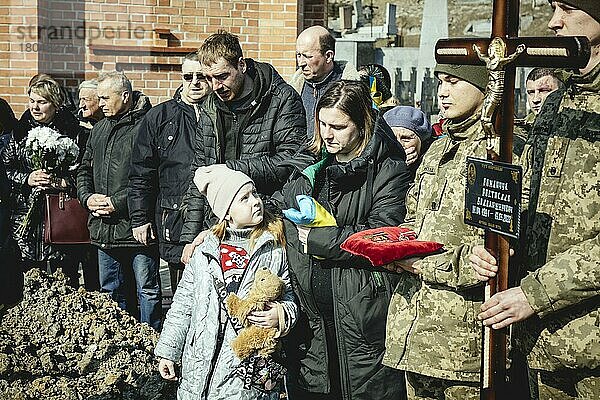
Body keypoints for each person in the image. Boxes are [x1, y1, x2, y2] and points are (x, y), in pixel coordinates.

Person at [470, 2, 600, 398]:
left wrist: (535, 293)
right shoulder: (560, 99)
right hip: (541, 342)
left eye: (568, 9)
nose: (553, 23)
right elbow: (527, 189)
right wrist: (493, 241)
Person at [273, 80, 411, 400]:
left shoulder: (388, 169)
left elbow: (383, 236)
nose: (327, 134)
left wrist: (321, 240)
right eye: (322, 124)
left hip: (362, 316)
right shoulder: (314, 164)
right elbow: (282, 205)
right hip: (312, 322)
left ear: (362, 124)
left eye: (338, 126)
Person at [383, 64, 491, 400]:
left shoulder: (498, 152)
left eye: (453, 82)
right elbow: (414, 218)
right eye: (440, 82)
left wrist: (418, 264)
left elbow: (491, 254)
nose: (442, 92)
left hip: (461, 344)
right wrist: (389, 246)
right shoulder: (440, 148)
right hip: (413, 332)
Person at [155, 165, 297, 399]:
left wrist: (281, 315)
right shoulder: (205, 250)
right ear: (226, 212)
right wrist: (168, 352)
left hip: (245, 373)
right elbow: (182, 305)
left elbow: (291, 294)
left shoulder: (274, 247)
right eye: (244, 198)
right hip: (198, 368)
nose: (255, 202)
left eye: (254, 194)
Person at [180, 30, 306, 263]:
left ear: (242, 65)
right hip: (219, 225)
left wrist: (230, 169)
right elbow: (200, 173)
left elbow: (292, 162)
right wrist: (189, 237)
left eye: (222, 76)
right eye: (209, 78)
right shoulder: (210, 106)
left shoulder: (281, 99)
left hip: (267, 223)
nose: (215, 86)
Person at [77, 71, 162, 331]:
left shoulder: (147, 126)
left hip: (136, 226)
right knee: (111, 291)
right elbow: (84, 169)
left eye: (104, 97)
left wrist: (118, 202)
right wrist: (87, 197)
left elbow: (152, 176)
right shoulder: (99, 129)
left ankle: (153, 342)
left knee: (147, 289)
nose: (99, 102)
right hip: (104, 227)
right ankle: (119, 344)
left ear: (125, 96)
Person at [129, 52, 211, 294]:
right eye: (188, 76)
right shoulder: (160, 116)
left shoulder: (223, 114)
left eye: (201, 76)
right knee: (181, 296)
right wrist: (140, 218)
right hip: (175, 219)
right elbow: (142, 171)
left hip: (214, 218)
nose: (194, 82)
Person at [1, 76, 84, 287]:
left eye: (42, 102)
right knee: (28, 278)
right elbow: (6, 169)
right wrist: (27, 178)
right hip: (24, 217)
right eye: (32, 101)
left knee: (65, 277)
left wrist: (61, 181)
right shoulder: (18, 133)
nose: (35, 107)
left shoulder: (72, 132)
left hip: (61, 215)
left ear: (55, 104)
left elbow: (85, 171)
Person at [290, 25, 359, 137]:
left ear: (328, 56)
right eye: (298, 55)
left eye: (308, 56)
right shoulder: (292, 90)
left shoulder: (351, 90)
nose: (301, 63)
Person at [383, 105, 433, 177]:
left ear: (422, 142)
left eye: (406, 138)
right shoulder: (374, 164)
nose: (399, 144)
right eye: (392, 137)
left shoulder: (432, 165)